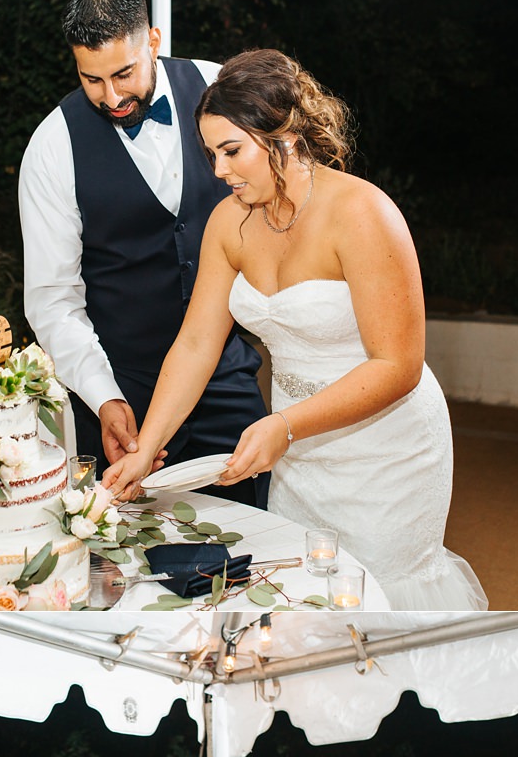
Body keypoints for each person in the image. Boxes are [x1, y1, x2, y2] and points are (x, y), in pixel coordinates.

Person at [103, 48, 488, 612]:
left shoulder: (363, 213)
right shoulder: (228, 222)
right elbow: (195, 344)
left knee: (378, 608)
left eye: (232, 151)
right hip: (297, 451)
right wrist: (147, 448)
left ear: (283, 136)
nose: (219, 172)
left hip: (387, 451)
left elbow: (397, 366)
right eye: (211, 154)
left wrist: (285, 425)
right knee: (302, 600)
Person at [18, 0, 270, 508]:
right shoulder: (52, 146)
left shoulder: (214, 87)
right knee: (133, 560)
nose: (111, 97)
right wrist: (103, 394)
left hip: (225, 372)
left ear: (152, 40)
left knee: (254, 535)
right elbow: (53, 299)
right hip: (121, 393)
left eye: (123, 73)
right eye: (92, 79)